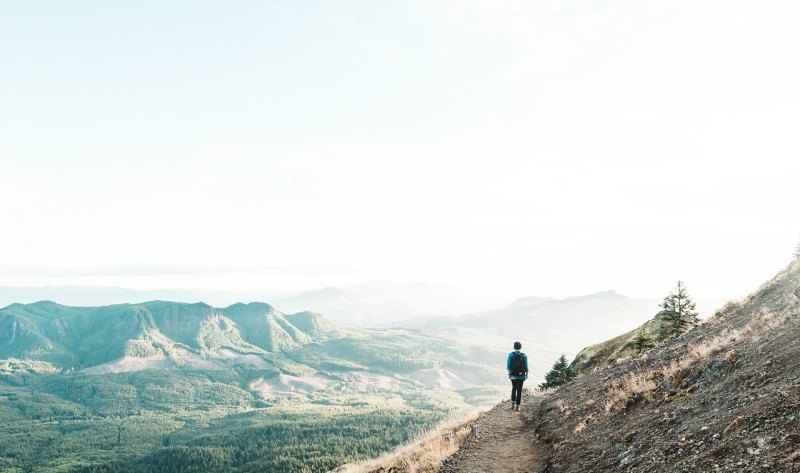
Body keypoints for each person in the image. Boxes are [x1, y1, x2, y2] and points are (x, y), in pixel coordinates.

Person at [507, 341, 528, 411]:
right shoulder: (524, 355)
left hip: (513, 375)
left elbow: (508, 366)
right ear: (520, 347)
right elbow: (526, 366)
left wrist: (510, 374)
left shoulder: (511, 354)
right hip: (521, 376)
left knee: (514, 388)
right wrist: (526, 375)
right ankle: (517, 406)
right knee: (519, 390)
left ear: (514, 347)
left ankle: (512, 404)